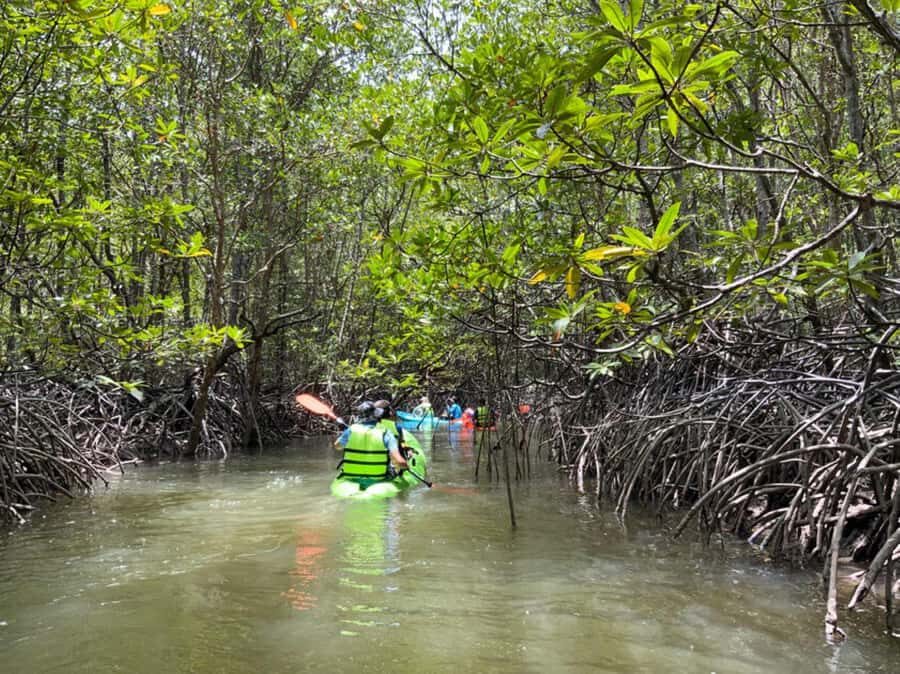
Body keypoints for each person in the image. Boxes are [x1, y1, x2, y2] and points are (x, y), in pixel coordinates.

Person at [334, 401, 407, 481]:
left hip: (351, 476)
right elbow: (400, 462)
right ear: (376, 415)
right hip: (378, 477)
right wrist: (406, 466)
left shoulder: (351, 430)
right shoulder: (386, 433)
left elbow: (337, 446)